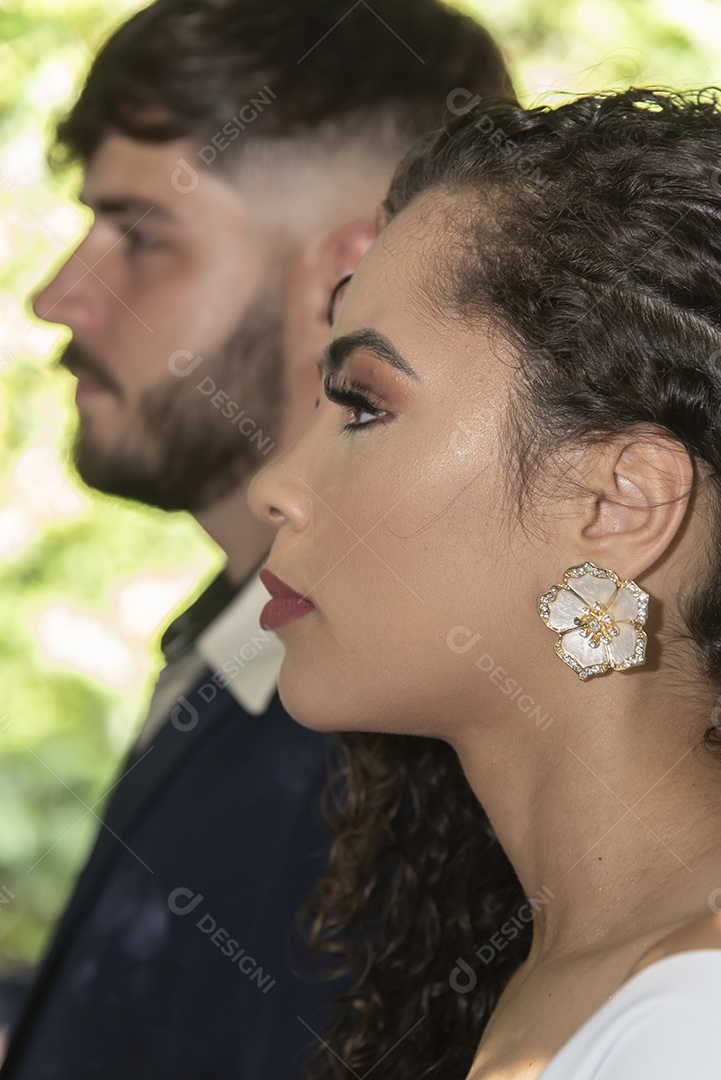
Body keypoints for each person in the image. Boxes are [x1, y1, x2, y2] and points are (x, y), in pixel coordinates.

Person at [1, 2, 515, 1078]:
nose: (60, 297)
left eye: (139, 234)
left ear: (350, 277)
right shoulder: (252, 632)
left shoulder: (377, 753)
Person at [249, 87, 721, 1079]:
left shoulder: (692, 1024)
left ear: (618, 507)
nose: (275, 488)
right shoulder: (523, 958)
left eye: (364, 407)